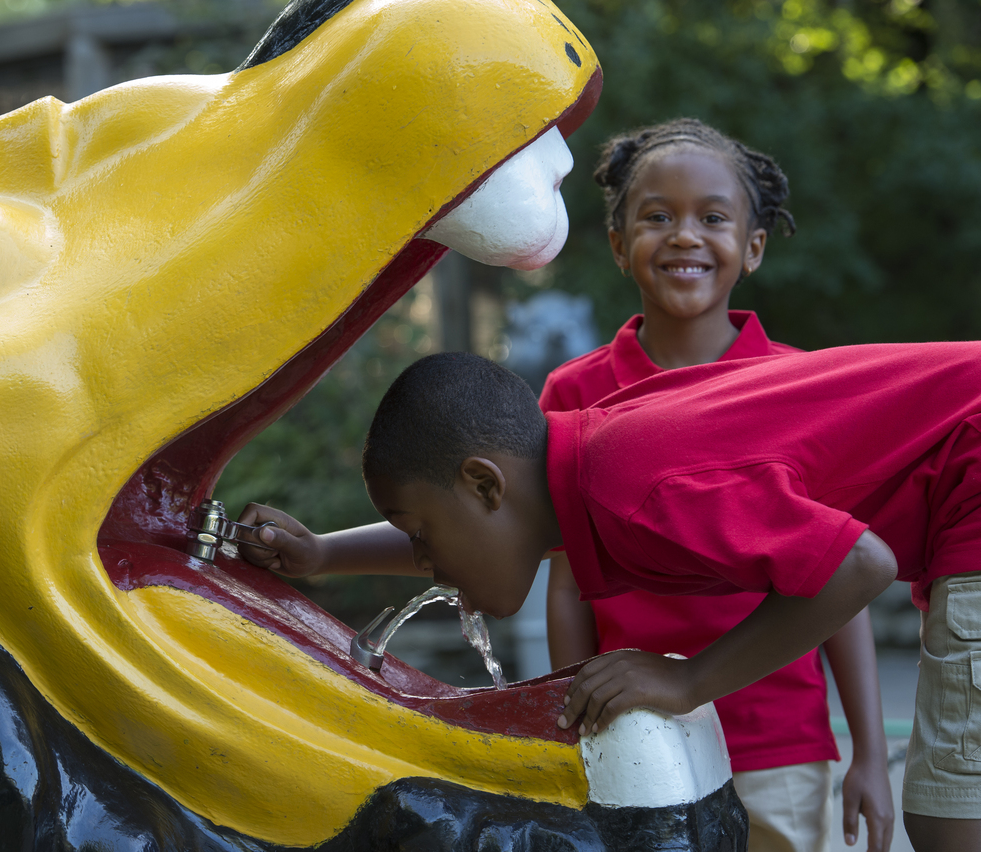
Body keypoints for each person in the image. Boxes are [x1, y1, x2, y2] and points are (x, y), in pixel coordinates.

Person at [238, 343, 981, 852]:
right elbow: (473, 528)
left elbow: (859, 566)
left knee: (950, 824)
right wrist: (325, 554)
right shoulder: (588, 471)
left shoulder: (634, 480)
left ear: (486, 484)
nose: (428, 561)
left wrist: (689, 679)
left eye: (422, 535)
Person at [539, 117, 891, 852]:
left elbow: (842, 588)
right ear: (617, 244)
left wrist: (869, 753)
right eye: (657, 217)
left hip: (777, 744)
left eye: (713, 217)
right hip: (633, 736)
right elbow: (568, 583)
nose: (684, 236)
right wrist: (566, 730)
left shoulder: (802, 384)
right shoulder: (575, 394)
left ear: (753, 247)